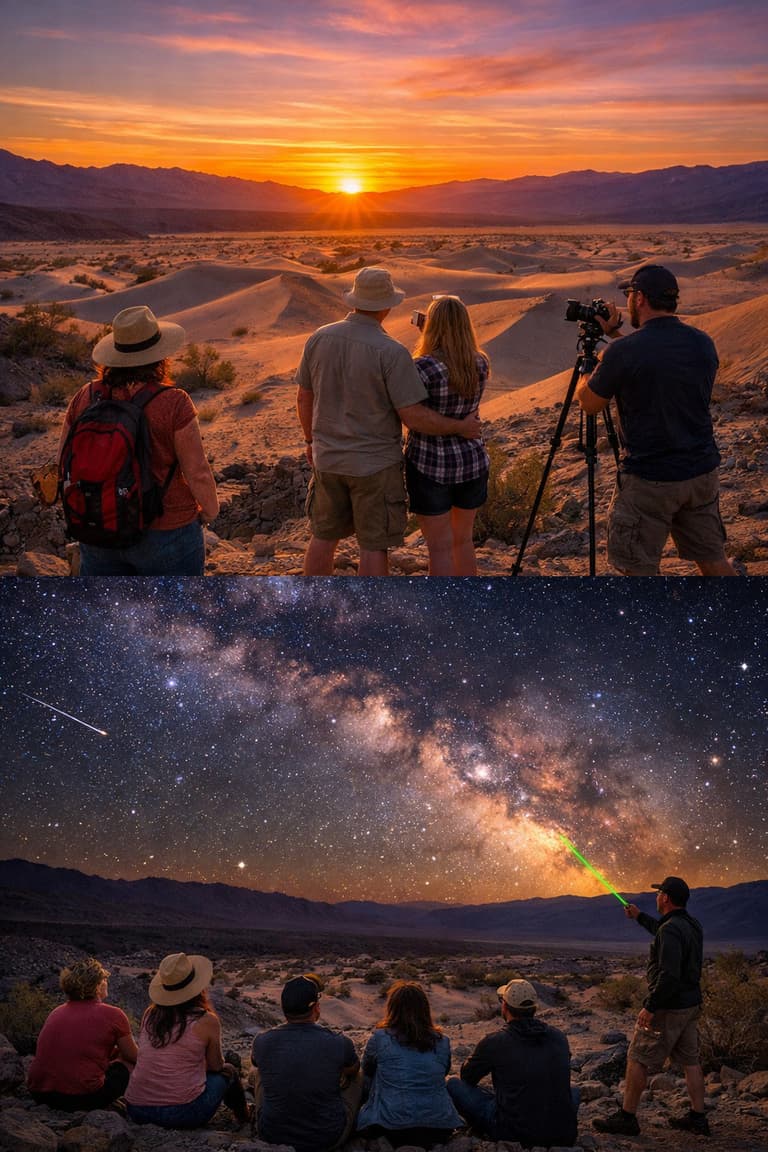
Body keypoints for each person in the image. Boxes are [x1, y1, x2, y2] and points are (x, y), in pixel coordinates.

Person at [296, 266, 483, 575]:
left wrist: (310, 441)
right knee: (372, 546)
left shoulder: (319, 338)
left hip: (327, 458)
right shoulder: (392, 351)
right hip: (375, 465)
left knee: (323, 537)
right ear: (388, 306)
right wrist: (460, 427)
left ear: (354, 300)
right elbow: (414, 416)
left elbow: (304, 396)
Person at [575, 264, 737, 576]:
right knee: (713, 560)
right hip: (700, 474)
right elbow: (653, 360)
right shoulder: (702, 342)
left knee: (637, 569)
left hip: (650, 479)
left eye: (629, 294)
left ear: (640, 300)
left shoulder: (624, 352)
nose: (625, 301)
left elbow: (590, 403)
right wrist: (613, 337)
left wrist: (588, 365)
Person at [59, 305, 219, 575]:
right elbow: (198, 471)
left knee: (107, 614)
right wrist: (210, 511)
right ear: (159, 357)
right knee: (178, 615)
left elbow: (63, 460)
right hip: (168, 532)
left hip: (100, 528)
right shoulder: (174, 402)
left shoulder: (85, 397)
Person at [594, 876, 709, 1137]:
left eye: (659, 894)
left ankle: (627, 1118)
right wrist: (639, 917)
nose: (656, 897)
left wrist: (650, 1006)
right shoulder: (691, 925)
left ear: (666, 898)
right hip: (690, 1005)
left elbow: (669, 974)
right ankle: (698, 1118)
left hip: (669, 1007)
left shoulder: (670, 930)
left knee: (637, 1058)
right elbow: (664, 933)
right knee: (691, 1061)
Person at [404, 296, 490, 575]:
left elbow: (414, 416)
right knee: (463, 541)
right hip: (472, 461)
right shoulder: (480, 362)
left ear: (432, 325)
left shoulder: (422, 367)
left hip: (430, 465)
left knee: (439, 547)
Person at [447, 978, 578, 1149]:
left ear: (505, 1006)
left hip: (512, 1132)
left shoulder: (495, 1042)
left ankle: (484, 1129)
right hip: (563, 1134)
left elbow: (468, 1077)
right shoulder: (559, 1037)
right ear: (534, 1008)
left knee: (453, 1084)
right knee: (574, 1091)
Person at [125, 951, 249, 1129]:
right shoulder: (207, 1020)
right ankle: (244, 1118)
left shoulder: (150, 1014)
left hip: (136, 1109)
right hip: (181, 1114)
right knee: (230, 1070)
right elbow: (216, 1066)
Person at [251, 973, 362, 1152]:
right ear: (316, 1008)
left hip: (272, 1135)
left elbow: (256, 1063)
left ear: (284, 1009)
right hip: (328, 1137)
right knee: (358, 1074)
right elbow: (353, 1069)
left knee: (259, 1072)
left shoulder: (262, 1040)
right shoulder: (339, 1042)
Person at [356, 980, 461, 1148]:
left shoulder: (380, 1038)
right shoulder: (442, 1042)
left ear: (392, 1008)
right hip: (439, 1127)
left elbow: (367, 1070)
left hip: (390, 1127)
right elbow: (443, 1072)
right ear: (425, 1010)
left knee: (366, 1078)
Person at [27, 957, 137, 1111]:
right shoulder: (114, 1014)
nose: (107, 981)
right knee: (127, 1064)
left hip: (39, 1094)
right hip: (81, 1099)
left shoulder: (57, 1012)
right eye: (104, 978)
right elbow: (134, 1056)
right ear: (97, 985)